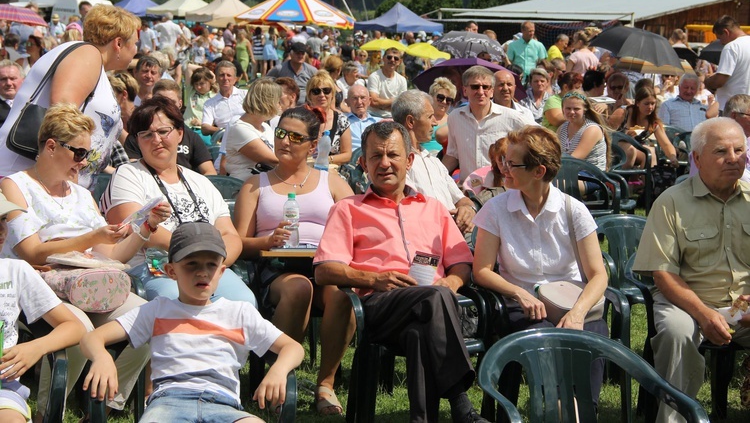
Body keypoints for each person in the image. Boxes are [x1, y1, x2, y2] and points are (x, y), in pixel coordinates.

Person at [0, 103, 170, 417]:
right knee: (78, 327)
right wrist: (92, 238)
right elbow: (31, 251)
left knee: (148, 320)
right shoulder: (15, 185)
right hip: (42, 287)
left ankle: (105, 400)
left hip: (90, 283)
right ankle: (51, 409)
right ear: (51, 146)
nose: (85, 162)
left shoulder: (81, 193)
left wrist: (146, 226)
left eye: (89, 155)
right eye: (80, 153)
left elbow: (112, 255)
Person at [313, 121, 489, 423]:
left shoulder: (433, 208)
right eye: (375, 157)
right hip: (379, 306)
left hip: (432, 310)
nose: (384, 164)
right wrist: (373, 279)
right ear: (364, 163)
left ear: (409, 160)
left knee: (419, 331)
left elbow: (462, 262)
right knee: (433, 299)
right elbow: (325, 270)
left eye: (393, 155)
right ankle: (461, 404)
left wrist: (452, 281)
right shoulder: (349, 209)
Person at [81, 222, 305, 423]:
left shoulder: (239, 312)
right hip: (168, 404)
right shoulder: (157, 310)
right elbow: (92, 337)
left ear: (221, 271)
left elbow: (293, 347)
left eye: (211, 265)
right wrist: (102, 357)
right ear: (171, 271)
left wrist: (278, 370)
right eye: (191, 264)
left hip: (224, 404)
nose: (202, 272)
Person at [472, 125, 609, 409]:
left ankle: (581, 409)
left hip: (571, 299)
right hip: (521, 303)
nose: (504, 168)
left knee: (591, 335)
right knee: (547, 336)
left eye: (512, 163)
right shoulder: (495, 210)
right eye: (503, 161)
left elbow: (598, 275)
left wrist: (578, 313)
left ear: (539, 171)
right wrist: (518, 294)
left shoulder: (574, 210)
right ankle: (558, 408)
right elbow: (481, 270)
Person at [233, 105, 354, 415]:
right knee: (300, 289)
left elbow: (357, 227)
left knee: (342, 297)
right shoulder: (255, 184)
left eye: (294, 137)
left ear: (313, 145)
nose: (284, 141)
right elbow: (237, 243)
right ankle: (280, 378)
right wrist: (266, 241)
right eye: (280, 133)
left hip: (325, 264)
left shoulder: (332, 182)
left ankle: (325, 384)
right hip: (277, 268)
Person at [633, 117, 750, 423]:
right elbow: (663, 274)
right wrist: (704, 313)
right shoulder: (671, 202)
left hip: (744, 305)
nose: (733, 159)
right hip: (686, 303)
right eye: (721, 151)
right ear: (697, 158)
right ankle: (675, 418)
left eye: (739, 150)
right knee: (677, 333)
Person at [101, 97, 257, 306]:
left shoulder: (200, 182)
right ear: (137, 141)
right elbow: (132, 225)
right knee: (178, 303)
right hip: (156, 269)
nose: (156, 140)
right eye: (146, 134)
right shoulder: (128, 174)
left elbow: (230, 235)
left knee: (243, 301)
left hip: (209, 266)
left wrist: (214, 263)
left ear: (180, 134)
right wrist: (193, 253)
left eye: (163, 131)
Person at [0, 4, 139, 190]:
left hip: (44, 183)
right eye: (135, 43)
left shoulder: (92, 62)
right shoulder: (87, 54)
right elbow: (62, 112)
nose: (137, 49)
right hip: (28, 181)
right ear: (119, 43)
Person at [0, 191, 86, 423]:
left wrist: (36, 348)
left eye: (3, 220)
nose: (1, 230)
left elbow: (74, 327)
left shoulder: (15, 271)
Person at [393, 90, 477, 234]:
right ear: (411, 121)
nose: (435, 122)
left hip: (454, 235)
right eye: (430, 116)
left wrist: (468, 210)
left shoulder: (434, 162)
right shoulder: (397, 163)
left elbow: (461, 199)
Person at [443, 66, 536, 182]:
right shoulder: (455, 117)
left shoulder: (512, 117)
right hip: (468, 191)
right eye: (475, 87)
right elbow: (453, 154)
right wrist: (437, 175)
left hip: (500, 190)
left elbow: (541, 137)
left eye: (485, 87)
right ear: (465, 90)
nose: (481, 92)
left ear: (492, 91)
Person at [125, 84, 217, 175]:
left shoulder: (191, 136)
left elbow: (209, 171)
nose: (157, 139)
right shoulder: (139, 135)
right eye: (159, 102)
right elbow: (134, 170)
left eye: (163, 132)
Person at [224, 78, 280, 182]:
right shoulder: (240, 129)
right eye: (277, 101)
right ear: (267, 102)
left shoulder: (266, 127)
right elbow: (273, 160)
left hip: (265, 184)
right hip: (243, 187)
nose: (279, 105)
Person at [618, 85, 679, 169]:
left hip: (635, 148)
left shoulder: (653, 123)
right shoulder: (624, 113)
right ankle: (623, 179)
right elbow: (609, 132)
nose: (650, 107)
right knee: (631, 150)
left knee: (650, 152)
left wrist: (673, 157)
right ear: (638, 103)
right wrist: (626, 135)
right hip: (617, 145)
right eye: (646, 104)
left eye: (653, 103)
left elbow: (666, 144)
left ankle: (647, 180)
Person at [306, 71, 352, 165]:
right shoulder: (301, 119)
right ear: (309, 96)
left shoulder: (341, 120)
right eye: (316, 91)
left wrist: (325, 159)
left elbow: (347, 154)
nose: (322, 95)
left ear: (332, 94)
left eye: (326, 90)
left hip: (331, 169)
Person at [705, 15, 750, 108]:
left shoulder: (731, 47)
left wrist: (707, 81)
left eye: (720, 38)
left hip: (733, 106)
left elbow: (719, 81)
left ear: (726, 32)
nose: (721, 43)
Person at [557, 91, 610, 171]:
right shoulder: (562, 128)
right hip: (569, 172)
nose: (571, 112)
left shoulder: (592, 129)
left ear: (584, 110)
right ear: (563, 109)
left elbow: (574, 160)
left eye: (576, 109)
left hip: (592, 176)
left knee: (557, 183)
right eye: (568, 108)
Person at [201, 61, 248, 137]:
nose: (225, 78)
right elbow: (205, 128)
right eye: (222, 75)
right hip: (224, 140)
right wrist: (226, 131)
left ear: (235, 79)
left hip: (248, 137)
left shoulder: (246, 95)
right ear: (216, 78)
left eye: (229, 75)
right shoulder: (210, 103)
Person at [366, 47, 408, 119]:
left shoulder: (402, 80)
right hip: (374, 116)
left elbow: (402, 104)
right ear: (383, 58)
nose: (392, 60)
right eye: (389, 57)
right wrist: (394, 101)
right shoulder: (374, 77)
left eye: (396, 58)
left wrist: (381, 105)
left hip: (393, 117)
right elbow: (373, 102)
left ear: (399, 62)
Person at [424, 77, 457, 155]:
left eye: (449, 100)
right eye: (440, 98)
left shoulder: (453, 120)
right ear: (431, 97)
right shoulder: (421, 118)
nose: (444, 102)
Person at [183, 67, 217, 139]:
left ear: (210, 82)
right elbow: (189, 67)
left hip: (202, 131)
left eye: (202, 83)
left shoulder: (215, 97)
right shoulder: (191, 91)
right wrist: (211, 72)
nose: (198, 87)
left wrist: (201, 123)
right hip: (186, 128)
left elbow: (216, 121)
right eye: (196, 84)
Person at [345, 84, 380, 151]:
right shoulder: (341, 121)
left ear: (369, 101)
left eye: (363, 98)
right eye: (355, 98)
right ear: (347, 102)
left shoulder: (379, 122)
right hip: (350, 160)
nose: (359, 102)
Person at [0, 60, 23, 127]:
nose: (8, 83)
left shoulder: (32, 104)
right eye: (3, 79)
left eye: (12, 78)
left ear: (23, 80)